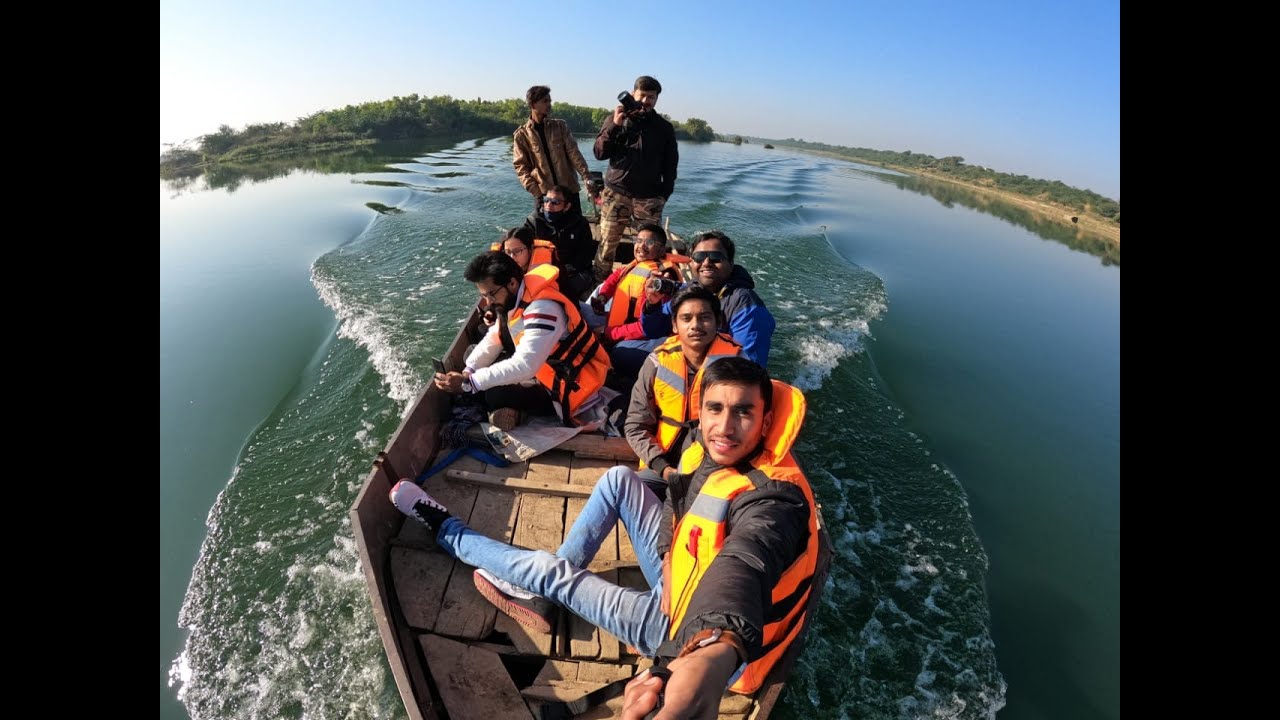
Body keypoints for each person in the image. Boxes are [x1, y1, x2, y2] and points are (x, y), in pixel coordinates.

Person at [390, 357, 819, 718]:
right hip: (681, 579)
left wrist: (711, 650)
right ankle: (549, 585)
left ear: (765, 421)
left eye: (743, 411)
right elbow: (680, 502)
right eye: (716, 409)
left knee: (547, 570)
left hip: (684, 631)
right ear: (700, 411)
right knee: (619, 479)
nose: (725, 425)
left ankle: (449, 530)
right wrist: (669, 556)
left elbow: (745, 562)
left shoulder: (777, 500)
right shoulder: (706, 446)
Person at [435, 251, 610, 429]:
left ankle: (519, 414)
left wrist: (470, 384)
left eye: (491, 294)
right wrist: (468, 372)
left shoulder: (543, 309)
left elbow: (525, 366)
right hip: (543, 367)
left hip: (569, 383)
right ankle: (501, 404)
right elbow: (495, 338)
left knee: (494, 394)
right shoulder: (515, 297)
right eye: (483, 296)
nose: (487, 302)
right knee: (472, 354)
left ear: (512, 282)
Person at [624, 285, 742, 499]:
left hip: (716, 471)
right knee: (626, 489)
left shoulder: (738, 365)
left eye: (704, 317)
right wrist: (663, 467)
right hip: (663, 467)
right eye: (686, 318)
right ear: (675, 326)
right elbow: (635, 425)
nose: (695, 325)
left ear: (718, 322)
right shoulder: (657, 362)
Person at [642, 231, 775, 366]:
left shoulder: (745, 305)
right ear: (691, 262)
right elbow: (653, 331)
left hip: (716, 370)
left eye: (715, 257)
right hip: (684, 351)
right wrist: (652, 304)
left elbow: (747, 367)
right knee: (622, 351)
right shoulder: (692, 289)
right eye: (699, 257)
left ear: (730, 262)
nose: (706, 263)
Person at [592, 75, 679, 280]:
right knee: (607, 244)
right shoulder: (616, 119)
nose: (646, 101)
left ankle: (642, 284)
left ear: (656, 99)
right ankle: (598, 285)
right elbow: (599, 153)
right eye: (642, 95)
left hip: (649, 198)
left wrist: (663, 195)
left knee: (650, 248)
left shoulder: (664, 128)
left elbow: (670, 166)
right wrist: (614, 125)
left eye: (651, 97)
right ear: (633, 94)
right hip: (615, 193)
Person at [585, 223, 688, 376]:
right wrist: (603, 296)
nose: (641, 246)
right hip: (615, 325)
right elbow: (616, 276)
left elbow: (647, 328)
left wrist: (607, 332)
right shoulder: (637, 264)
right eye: (638, 241)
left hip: (637, 337)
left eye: (649, 242)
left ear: (661, 249)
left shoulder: (663, 279)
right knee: (576, 310)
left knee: (619, 354)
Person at [513, 85, 594, 214]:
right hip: (544, 194)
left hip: (568, 190)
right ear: (533, 104)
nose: (549, 104)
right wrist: (536, 191)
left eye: (550, 101)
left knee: (575, 227)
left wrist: (586, 176)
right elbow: (521, 167)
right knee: (546, 232)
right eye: (545, 101)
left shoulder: (560, 127)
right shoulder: (522, 135)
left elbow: (574, 153)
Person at [519, 185, 596, 301]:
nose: (549, 205)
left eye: (555, 202)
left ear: (567, 206)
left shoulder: (579, 223)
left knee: (567, 290)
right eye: (546, 201)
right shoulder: (534, 221)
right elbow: (521, 244)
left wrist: (562, 272)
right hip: (541, 271)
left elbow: (585, 255)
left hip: (573, 271)